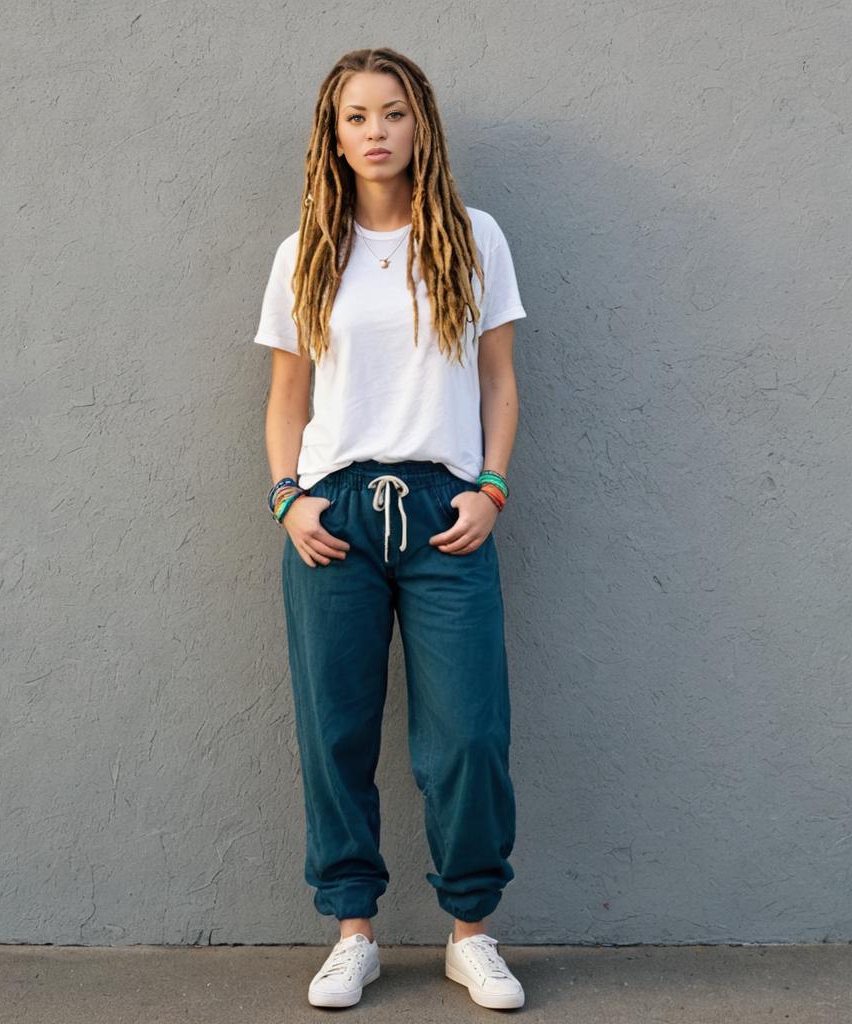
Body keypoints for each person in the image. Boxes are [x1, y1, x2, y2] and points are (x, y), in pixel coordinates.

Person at [253, 47, 527, 1012]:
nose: (375, 131)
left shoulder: (472, 236)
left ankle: (470, 933)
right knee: (336, 730)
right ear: (332, 137)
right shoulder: (305, 253)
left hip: (446, 515)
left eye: (393, 112)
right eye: (355, 117)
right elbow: (286, 397)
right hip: (335, 519)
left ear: (422, 124)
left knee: (467, 738)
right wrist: (289, 499)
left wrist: (491, 488)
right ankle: (353, 930)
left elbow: (498, 381)